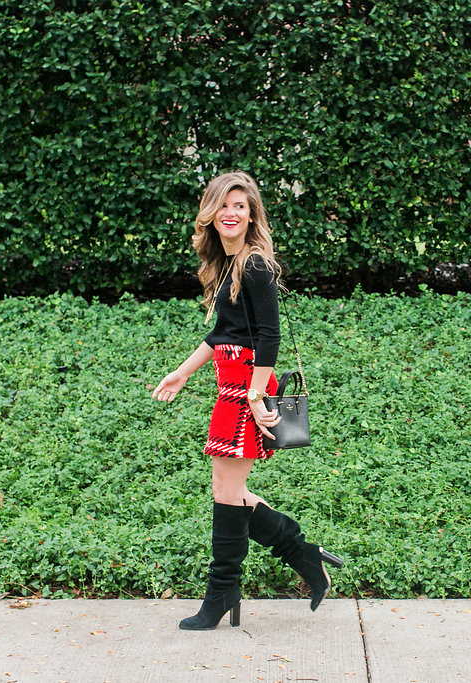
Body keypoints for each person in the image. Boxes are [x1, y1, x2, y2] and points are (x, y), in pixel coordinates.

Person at [151, 171, 343, 630]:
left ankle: (223, 592)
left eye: (240, 205)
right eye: (224, 205)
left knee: (227, 492)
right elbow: (222, 334)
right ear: (211, 213)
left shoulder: (255, 264)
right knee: (227, 492)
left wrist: (257, 395)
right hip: (230, 383)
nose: (231, 213)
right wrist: (182, 372)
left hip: (246, 386)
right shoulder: (226, 265)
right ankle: (301, 556)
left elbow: (268, 337)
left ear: (251, 213)